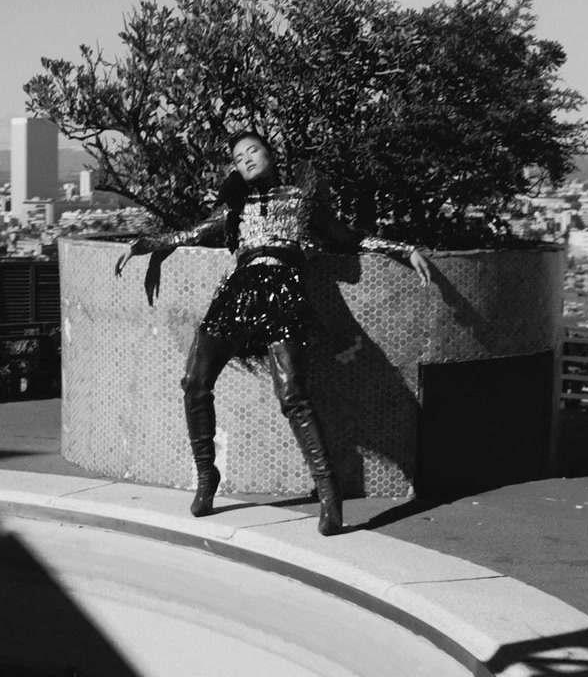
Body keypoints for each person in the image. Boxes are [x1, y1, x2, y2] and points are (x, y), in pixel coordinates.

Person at [115, 131, 432, 536]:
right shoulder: (235, 206)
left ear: (270, 154)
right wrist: (144, 245)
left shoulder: (300, 199)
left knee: (293, 394)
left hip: (284, 290)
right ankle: (206, 474)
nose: (245, 159)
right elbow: (190, 233)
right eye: (238, 156)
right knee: (194, 381)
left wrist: (404, 249)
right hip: (238, 292)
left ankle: (329, 493)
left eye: (252, 151)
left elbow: (348, 238)